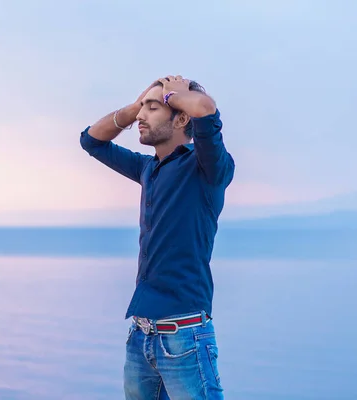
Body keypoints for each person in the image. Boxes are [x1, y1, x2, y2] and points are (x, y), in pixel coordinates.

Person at [79, 75, 235, 399]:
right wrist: (137, 104)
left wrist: (174, 95)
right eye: (143, 108)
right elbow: (92, 141)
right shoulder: (148, 169)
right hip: (140, 335)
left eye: (153, 108)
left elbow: (206, 109)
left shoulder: (207, 168)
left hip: (185, 337)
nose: (141, 116)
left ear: (180, 117)